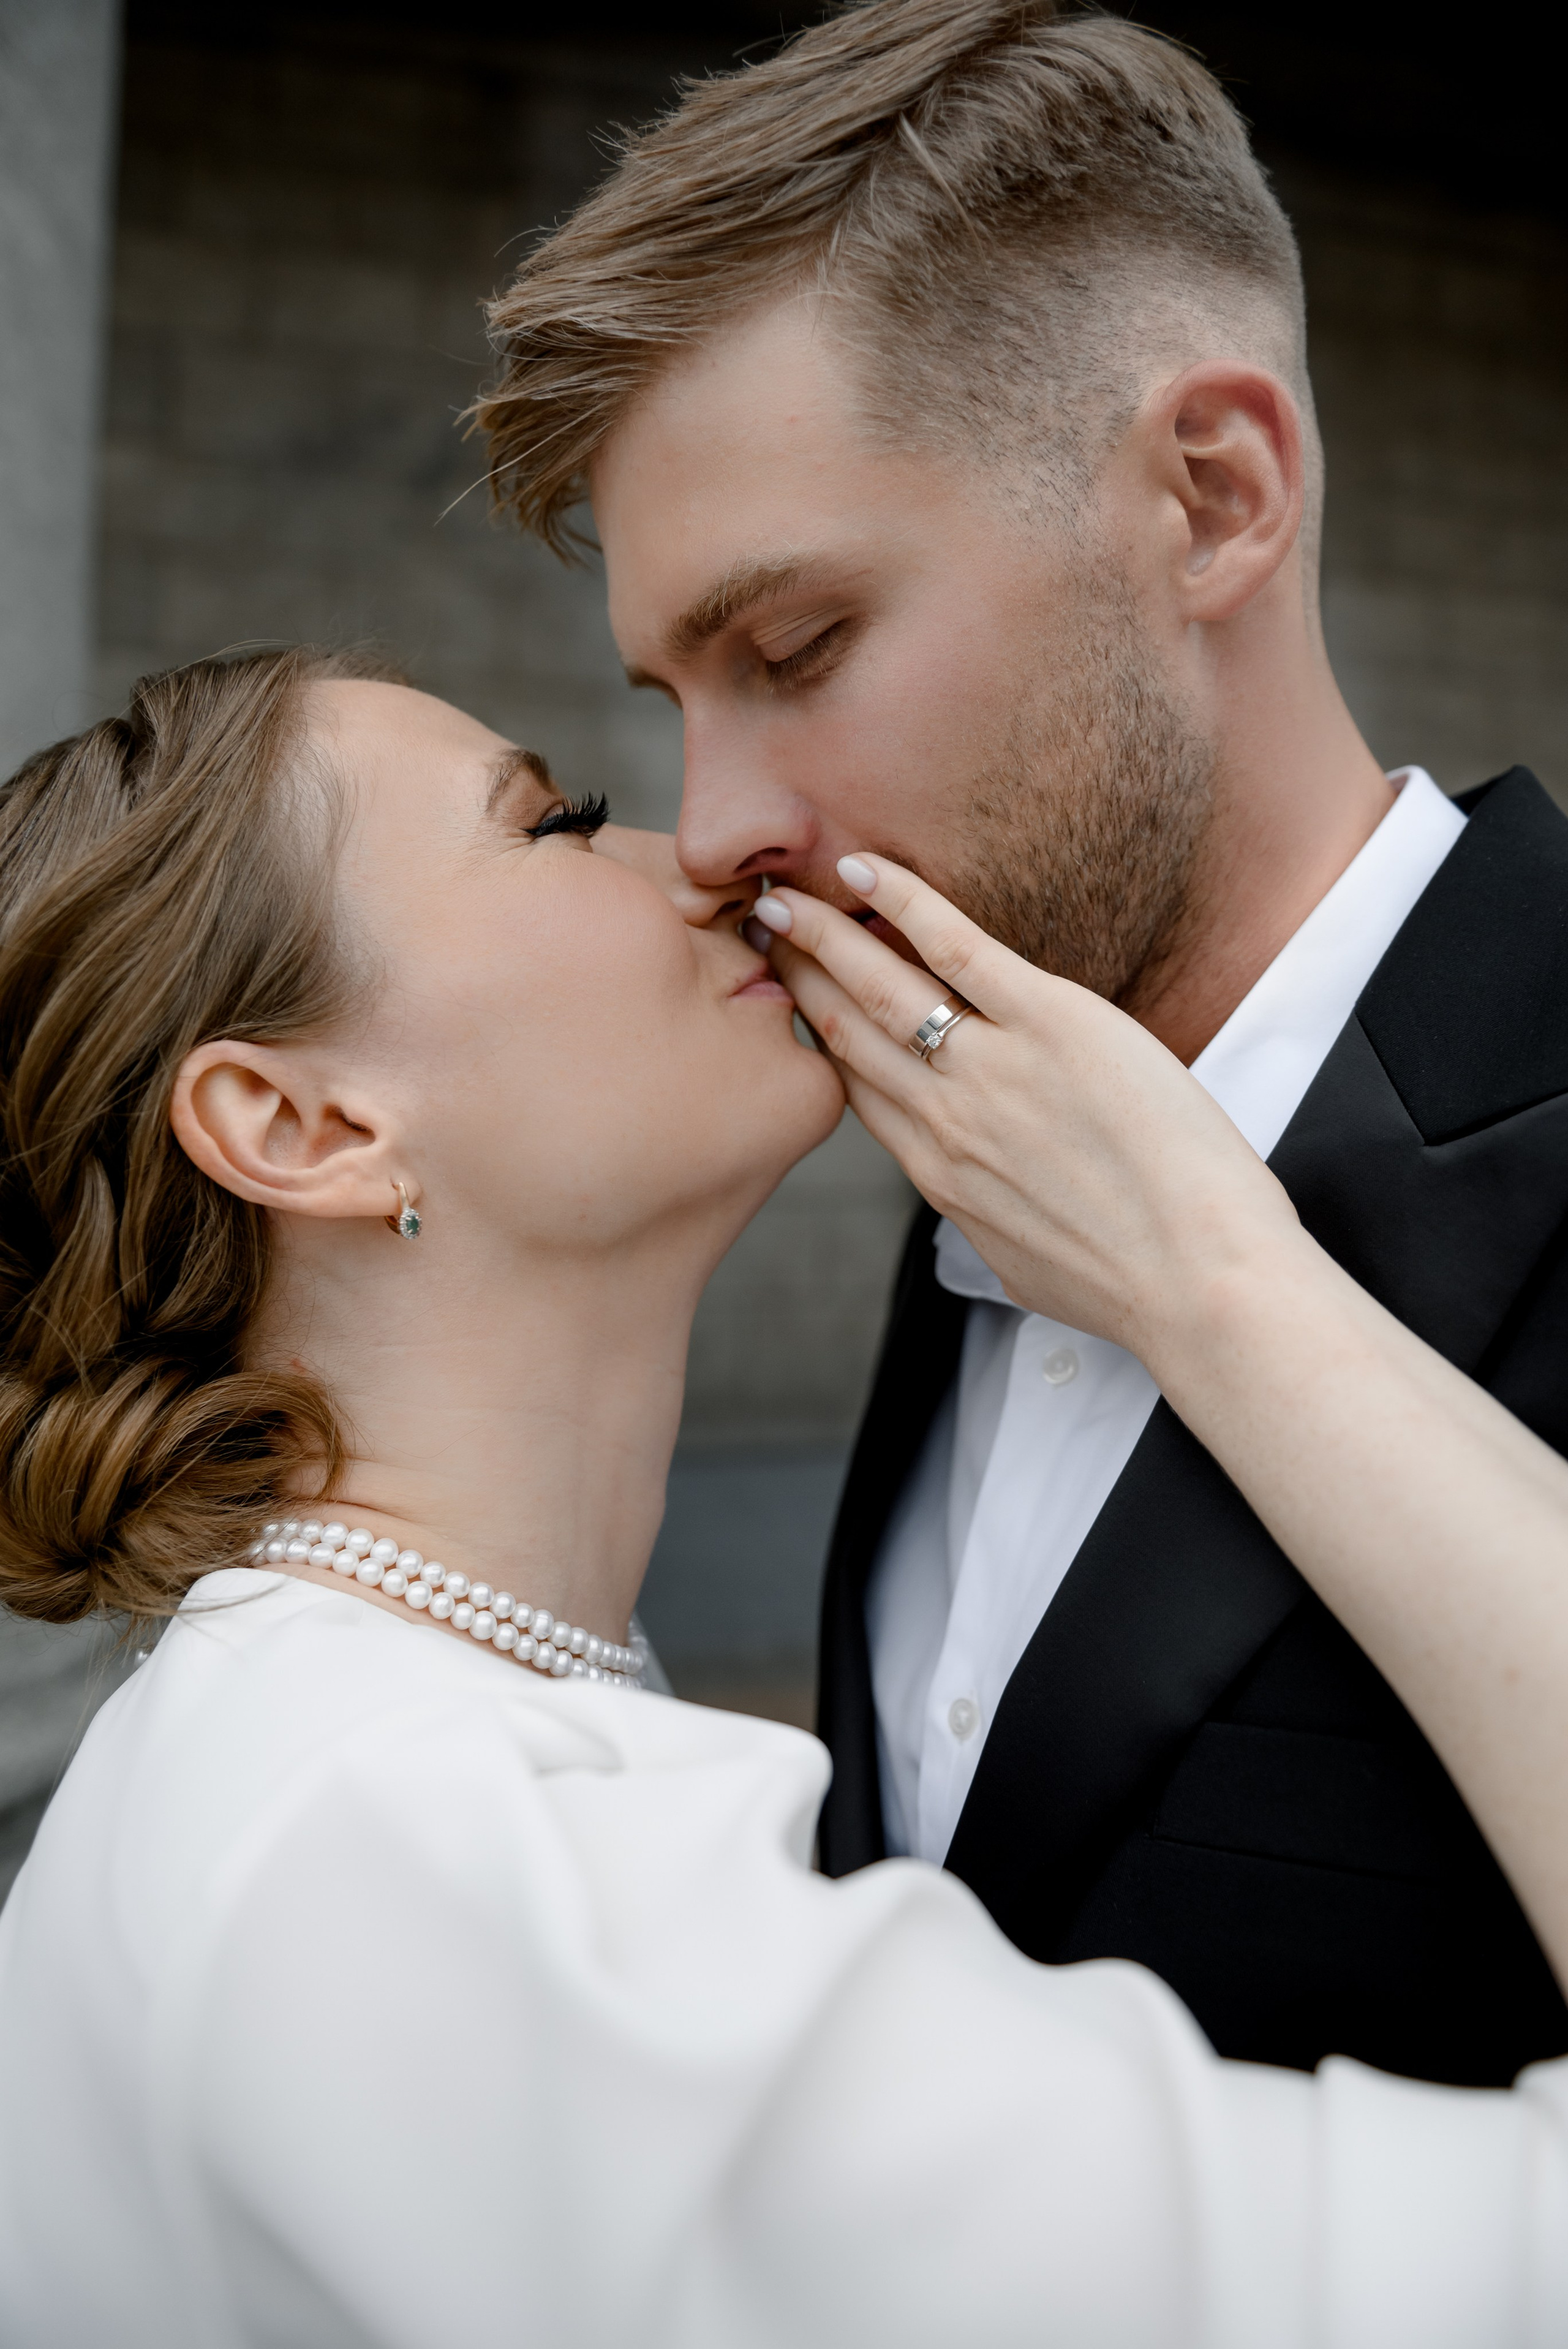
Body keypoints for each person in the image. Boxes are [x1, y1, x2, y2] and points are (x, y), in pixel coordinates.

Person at [3, 648, 1568, 2347]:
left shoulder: (334, 1751)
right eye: (552, 822)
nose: (700, 852)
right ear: (301, 1121)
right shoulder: (433, 1867)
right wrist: (1221, 1281)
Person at [476, 0, 1568, 2086]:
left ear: (1216, 496)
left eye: (796, 648)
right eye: (672, 699)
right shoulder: (956, 1148)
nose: (714, 832)